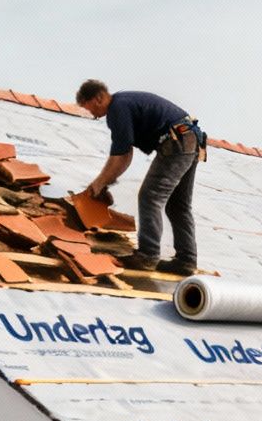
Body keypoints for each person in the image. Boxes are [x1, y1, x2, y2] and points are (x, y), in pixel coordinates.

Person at [75, 80, 202, 275]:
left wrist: (99, 184)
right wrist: (104, 182)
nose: (91, 114)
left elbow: (120, 156)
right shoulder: (124, 103)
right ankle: (186, 261)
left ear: (99, 98)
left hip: (177, 142)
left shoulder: (117, 108)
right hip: (190, 140)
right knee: (178, 205)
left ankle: (147, 255)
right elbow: (125, 156)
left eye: (89, 107)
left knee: (151, 196)